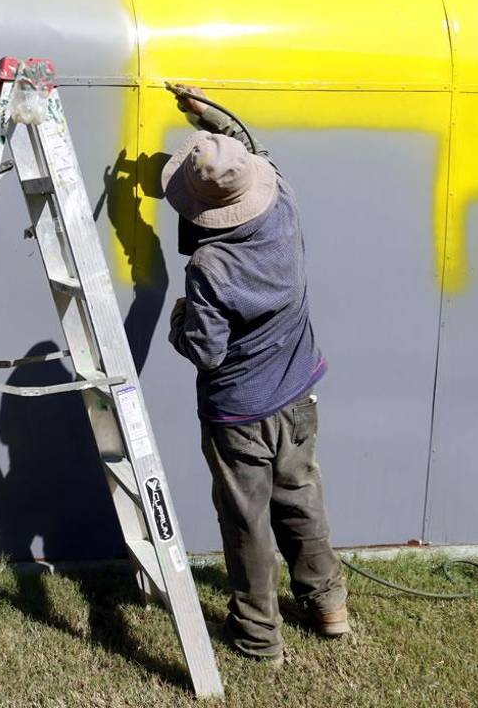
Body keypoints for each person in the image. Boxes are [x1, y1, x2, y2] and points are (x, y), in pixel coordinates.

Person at [163, 85, 349, 665]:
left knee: (247, 524)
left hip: (240, 412)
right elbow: (251, 147)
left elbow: (207, 352)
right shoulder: (284, 204)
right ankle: (328, 607)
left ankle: (258, 638)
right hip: (298, 395)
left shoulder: (210, 266)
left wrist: (178, 319)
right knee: (300, 497)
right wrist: (207, 113)